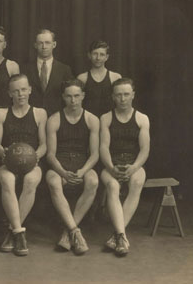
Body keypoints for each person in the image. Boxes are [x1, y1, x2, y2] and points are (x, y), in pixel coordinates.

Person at [0, 74, 47, 256]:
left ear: (30, 90)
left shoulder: (40, 113)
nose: (20, 94)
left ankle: (11, 231)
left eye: (24, 89)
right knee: (7, 180)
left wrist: (34, 157)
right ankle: (19, 232)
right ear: (10, 93)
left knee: (31, 180)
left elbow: (44, 144)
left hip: (32, 162)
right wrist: (5, 154)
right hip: (8, 162)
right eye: (16, 91)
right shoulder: (1, 113)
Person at [46, 79, 99, 255]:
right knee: (53, 181)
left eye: (77, 96)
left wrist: (83, 171)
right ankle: (76, 232)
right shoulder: (54, 119)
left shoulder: (92, 119)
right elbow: (50, 154)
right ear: (63, 97)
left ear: (83, 96)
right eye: (69, 96)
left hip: (82, 164)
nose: (73, 100)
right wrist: (62, 172)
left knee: (93, 180)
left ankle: (67, 232)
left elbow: (95, 154)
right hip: (60, 164)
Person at [100, 78, 150, 256]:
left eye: (126, 94)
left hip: (134, 163)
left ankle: (118, 235)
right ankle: (121, 235)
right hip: (111, 164)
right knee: (112, 186)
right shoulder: (106, 118)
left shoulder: (142, 118)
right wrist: (112, 167)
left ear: (133, 95)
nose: (123, 99)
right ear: (113, 97)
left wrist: (134, 167)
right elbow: (103, 148)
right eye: (119, 95)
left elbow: (145, 149)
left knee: (136, 183)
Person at [24, 29, 73, 116]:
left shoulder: (65, 69)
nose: (44, 46)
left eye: (47, 43)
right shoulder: (25, 69)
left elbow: (68, 95)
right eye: (40, 43)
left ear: (54, 44)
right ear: (35, 45)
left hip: (57, 117)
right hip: (31, 117)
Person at [77, 40, 122, 118]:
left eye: (102, 54)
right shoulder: (82, 78)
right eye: (95, 54)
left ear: (106, 57)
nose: (98, 58)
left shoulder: (115, 77)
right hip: (88, 121)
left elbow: (120, 103)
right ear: (89, 55)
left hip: (110, 121)